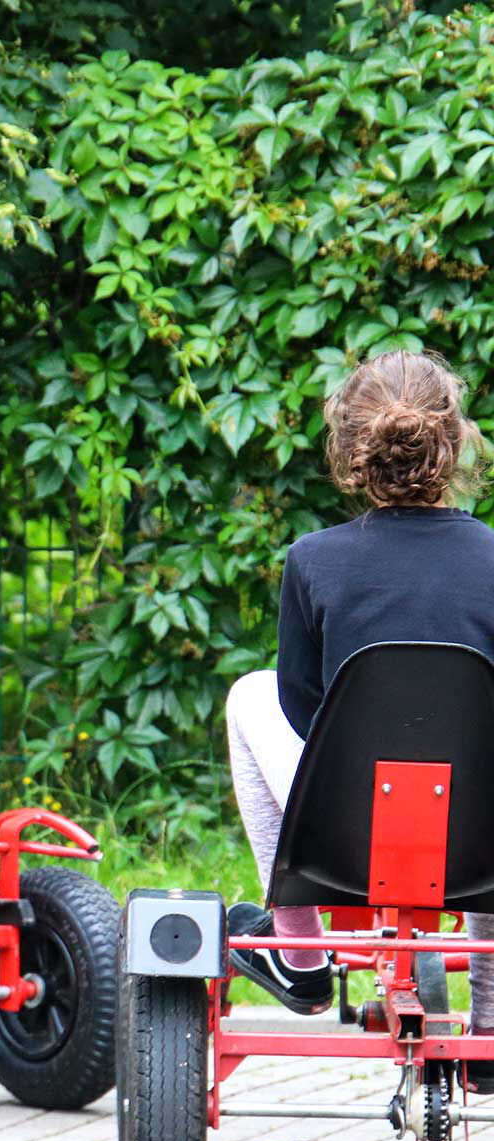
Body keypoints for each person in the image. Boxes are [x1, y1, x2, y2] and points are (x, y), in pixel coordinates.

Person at [224, 348, 494, 1090]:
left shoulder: (313, 561)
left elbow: (301, 709)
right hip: (478, 845)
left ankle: (300, 955)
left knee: (249, 693)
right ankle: (492, 1011)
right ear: (458, 438)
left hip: (347, 838)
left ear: (349, 448)